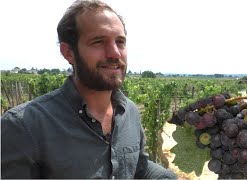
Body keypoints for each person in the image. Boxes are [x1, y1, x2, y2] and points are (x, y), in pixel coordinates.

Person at [1, 0, 177, 179]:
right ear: (68, 52)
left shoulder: (129, 111)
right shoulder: (24, 127)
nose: (115, 53)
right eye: (98, 42)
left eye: (120, 41)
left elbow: (139, 168)